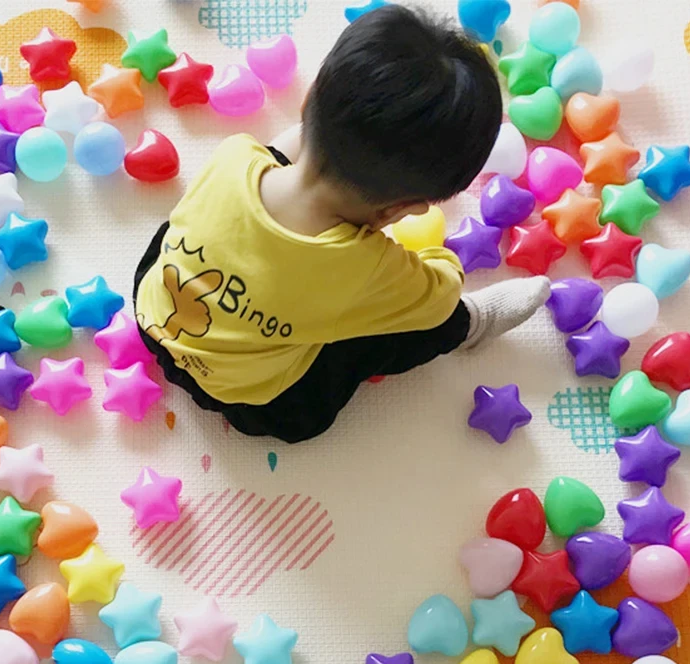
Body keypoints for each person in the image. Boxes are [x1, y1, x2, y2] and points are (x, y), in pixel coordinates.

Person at [134, 4, 550, 443]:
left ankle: (319, 152)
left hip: (155, 320)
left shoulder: (233, 155)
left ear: (309, 97)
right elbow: (440, 294)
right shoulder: (365, 268)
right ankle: (473, 324)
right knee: (403, 329)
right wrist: (432, 258)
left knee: (194, 221)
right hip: (253, 400)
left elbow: (276, 155)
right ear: (404, 208)